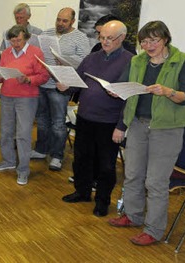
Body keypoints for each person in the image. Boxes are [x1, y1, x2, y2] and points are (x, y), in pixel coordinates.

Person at [108, 21, 185, 246]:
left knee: (155, 182)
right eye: (144, 41)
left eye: (153, 40)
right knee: (133, 174)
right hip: (138, 124)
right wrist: (117, 91)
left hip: (167, 129)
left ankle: (153, 229)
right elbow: (124, 86)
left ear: (165, 39)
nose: (148, 45)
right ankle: (133, 216)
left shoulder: (182, 60)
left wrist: (168, 91)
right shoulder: (137, 60)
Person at [56, 21, 133, 217]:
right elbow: (78, 83)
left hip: (109, 121)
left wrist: (121, 126)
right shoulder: (92, 58)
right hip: (85, 117)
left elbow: (130, 98)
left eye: (110, 38)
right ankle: (82, 192)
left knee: (106, 164)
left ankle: (102, 201)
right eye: (102, 37)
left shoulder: (131, 61)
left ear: (122, 38)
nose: (104, 42)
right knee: (82, 158)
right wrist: (67, 86)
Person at [32, 8, 90, 171]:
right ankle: (41, 149)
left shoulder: (80, 37)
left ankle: (57, 156)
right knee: (42, 120)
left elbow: (84, 61)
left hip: (61, 86)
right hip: (43, 82)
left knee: (58, 123)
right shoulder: (46, 33)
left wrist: (66, 62)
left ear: (72, 21)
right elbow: (37, 53)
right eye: (58, 19)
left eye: (64, 21)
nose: (60, 23)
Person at [0, 25, 49, 185]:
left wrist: (28, 79)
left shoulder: (36, 52)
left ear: (25, 38)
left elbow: (44, 76)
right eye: (12, 40)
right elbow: (2, 74)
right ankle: (8, 160)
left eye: (18, 40)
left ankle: (23, 170)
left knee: (23, 134)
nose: (16, 43)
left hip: (27, 98)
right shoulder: (6, 53)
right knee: (5, 130)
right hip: (7, 95)